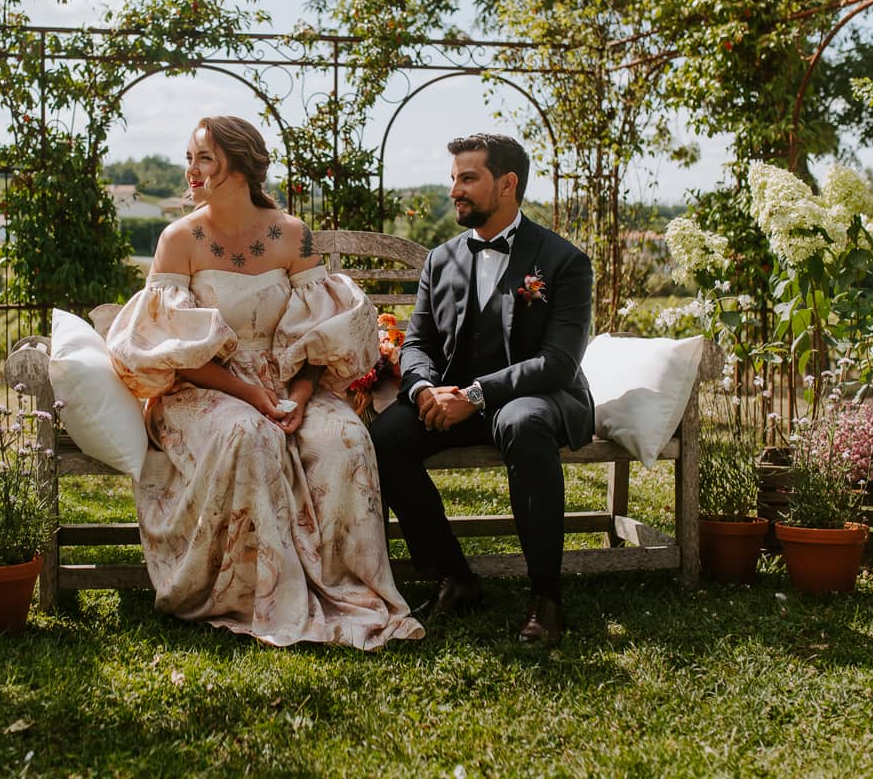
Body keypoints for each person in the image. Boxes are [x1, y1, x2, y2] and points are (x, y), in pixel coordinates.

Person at [105, 115, 423, 649]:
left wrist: (296, 396)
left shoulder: (291, 235)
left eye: (204, 159)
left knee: (343, 439)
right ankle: (256, 593)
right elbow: (176, 352)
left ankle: (346, 587)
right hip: (202, 387)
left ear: (241, 166)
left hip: (289, 382)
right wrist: (253, 396)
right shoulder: (178, 239)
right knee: (247, 436)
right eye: (191, 158)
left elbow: (323, 335)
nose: (192, 171)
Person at [370, 133, 594, 646]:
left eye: (468, 178)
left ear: (508, 183)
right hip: (451, 397)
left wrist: (472, 394)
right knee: (387, 437)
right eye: (453, 179)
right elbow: (418, 340)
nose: (455, 190)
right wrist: (423, 388)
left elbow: (557, 362)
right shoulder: (440, 259)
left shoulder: (564, 262)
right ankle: (455, 574)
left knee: (524, 423)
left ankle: (546, 598)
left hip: (537, 395)